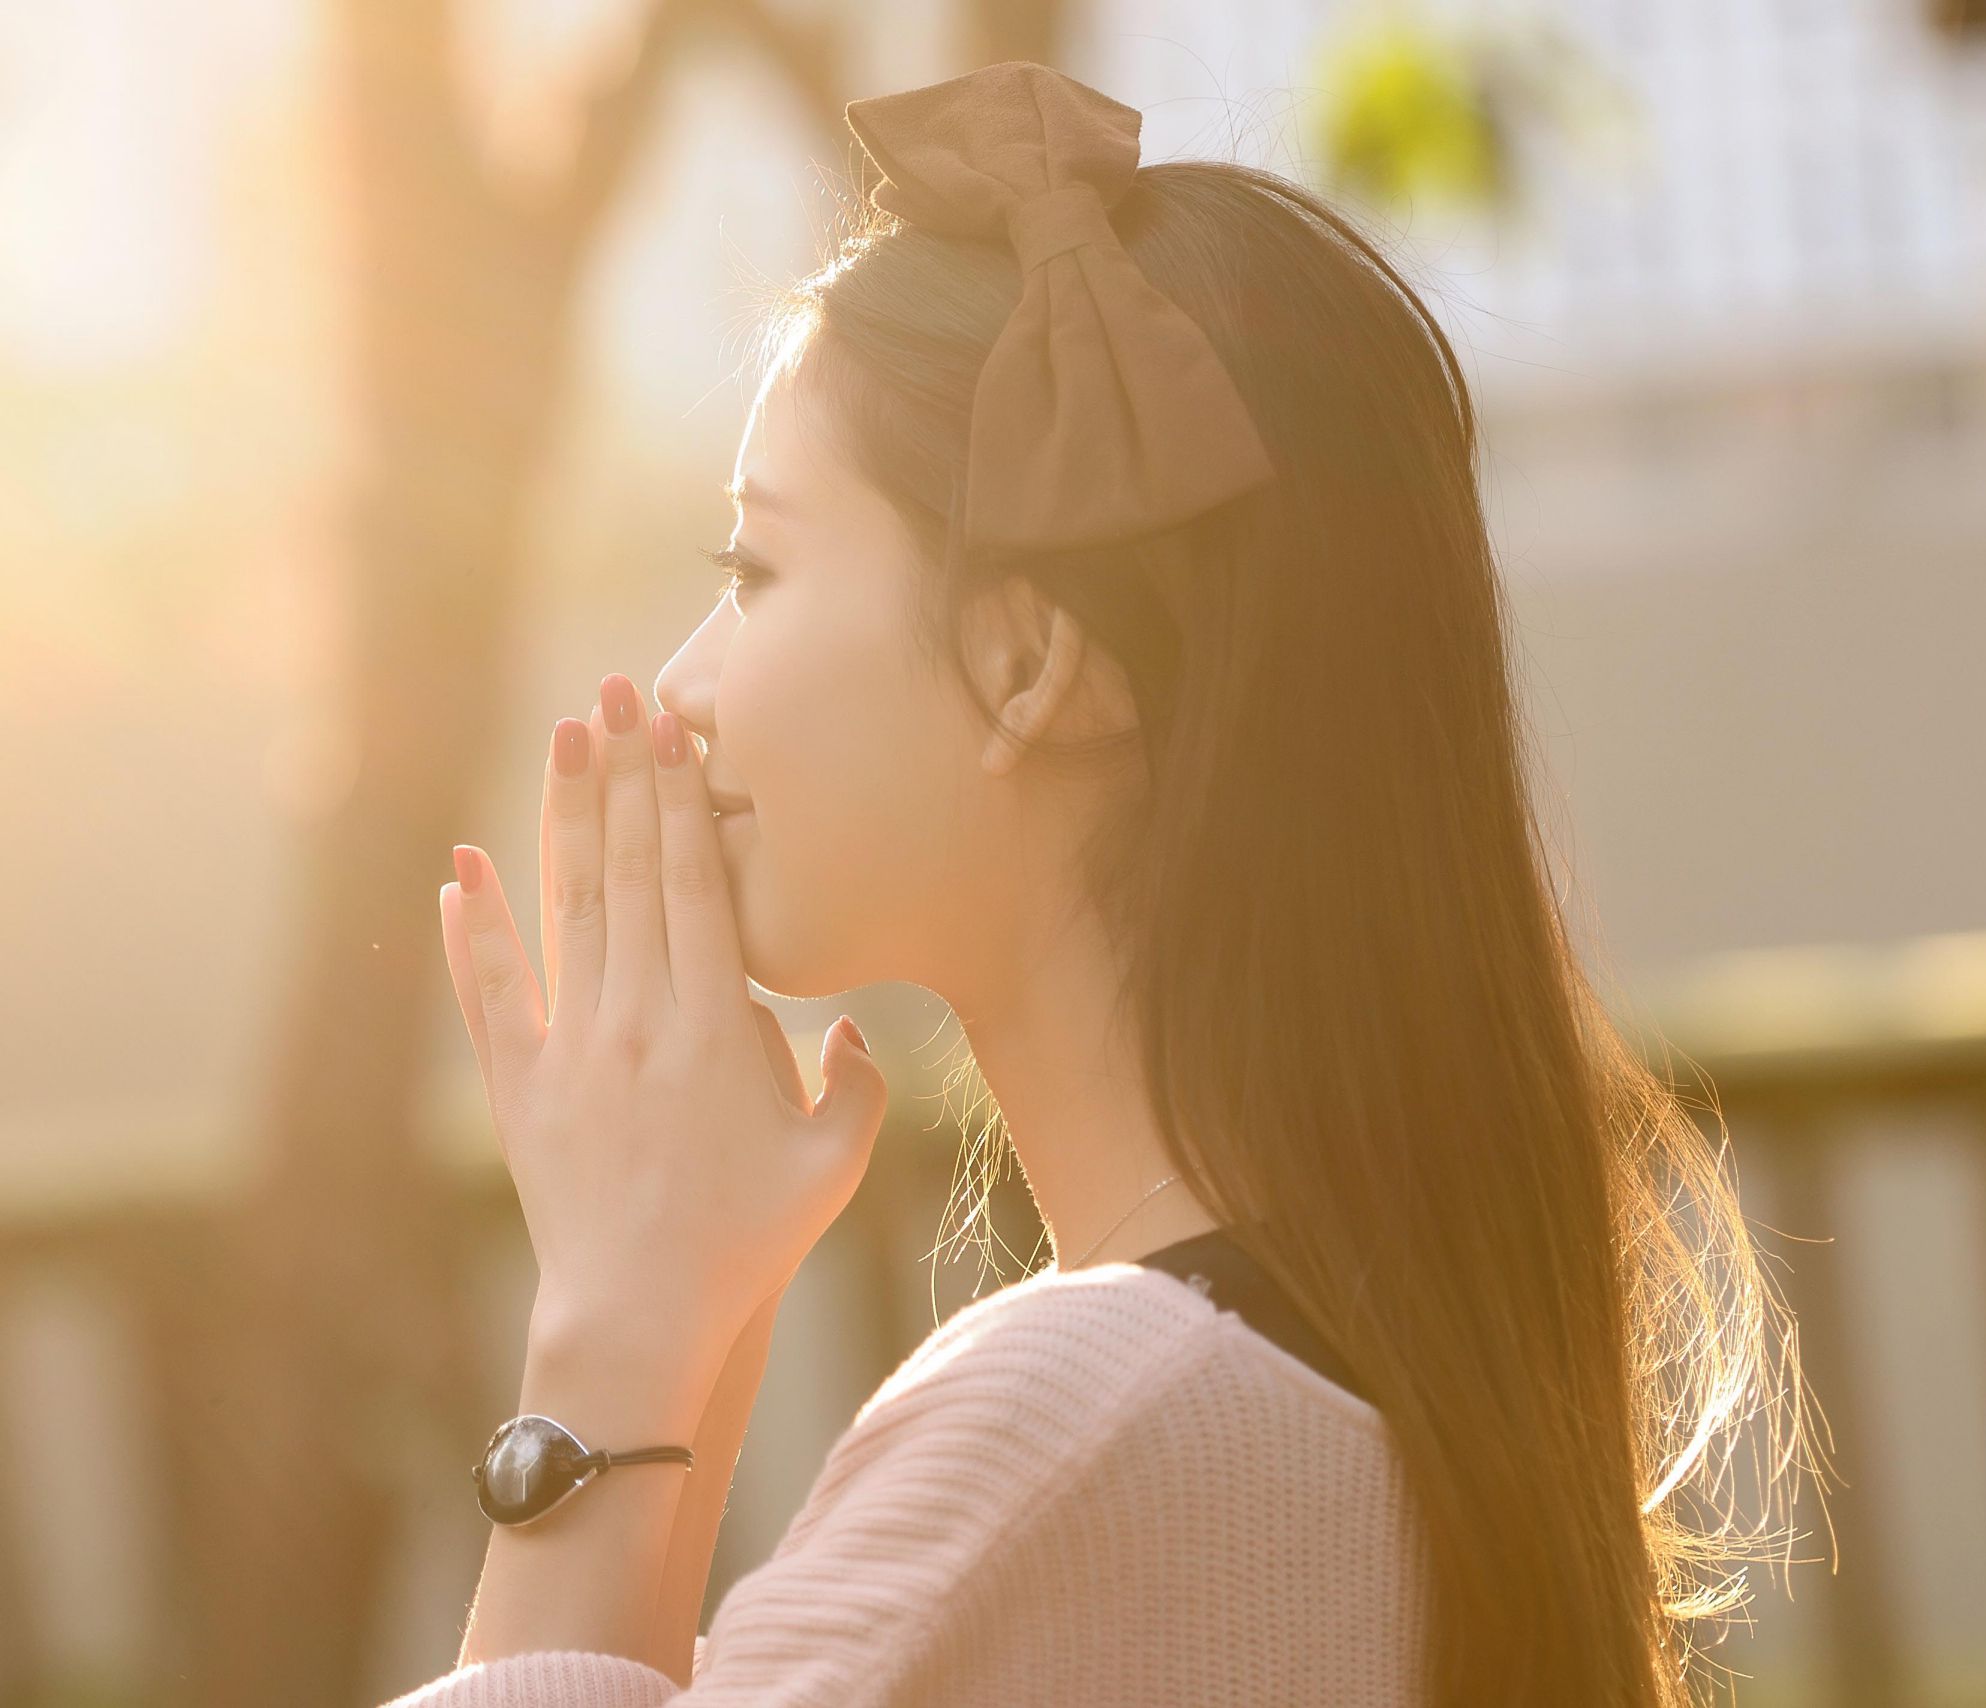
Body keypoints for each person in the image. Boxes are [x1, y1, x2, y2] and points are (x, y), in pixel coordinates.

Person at [390, 58, 1814, 1708]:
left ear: (1032, 660)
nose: (684, 686)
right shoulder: (1340, 1387)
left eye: (754, 569)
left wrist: (616, 1322)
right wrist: (689, 1338)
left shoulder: (1088, 1415)